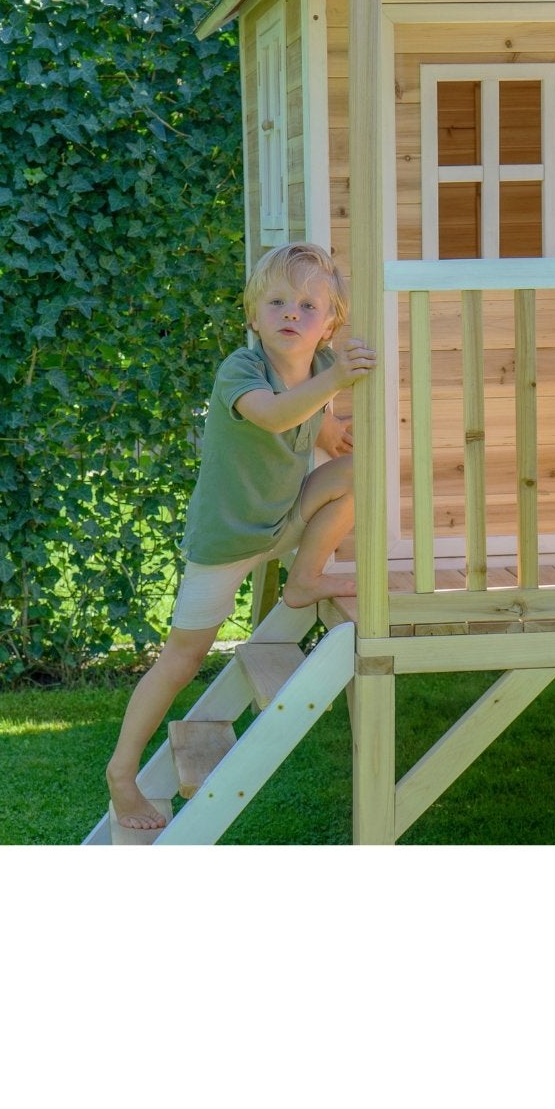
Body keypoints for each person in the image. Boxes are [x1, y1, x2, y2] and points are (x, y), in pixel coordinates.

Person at [105, 242, 377, 830]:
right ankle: (122, 775)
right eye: (276, 302)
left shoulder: (317, 374)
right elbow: (276, 414)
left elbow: (321, 425)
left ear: (329, 326)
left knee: (363, 472)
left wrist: (338, 430)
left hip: (279, 525)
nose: (291, 313)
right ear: (253, 316)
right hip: (223, 545)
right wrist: (336, 377)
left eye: (308, 306)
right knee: (182, 659)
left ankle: (303, 581)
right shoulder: (241, 371)